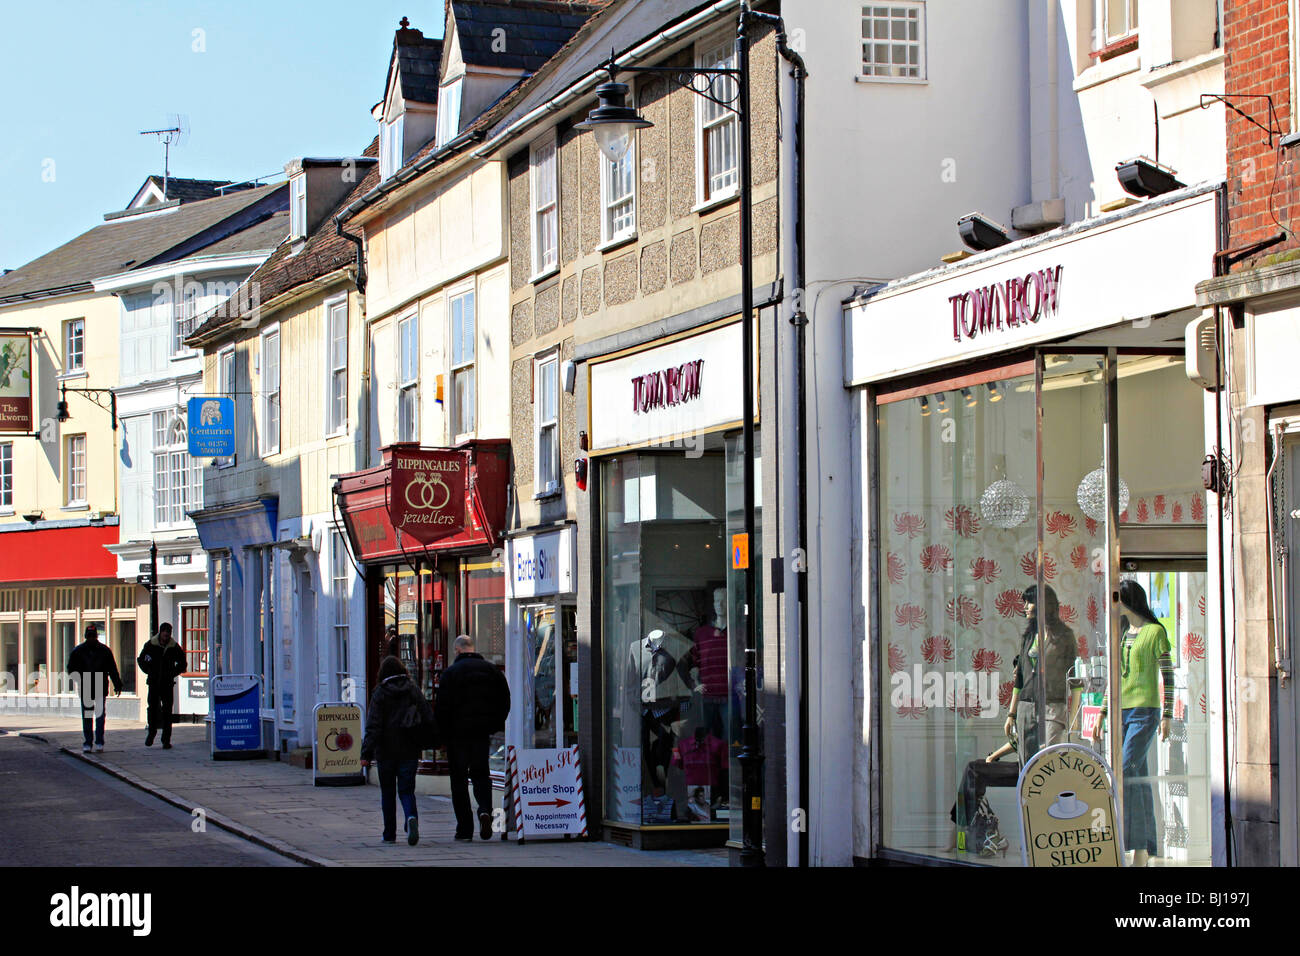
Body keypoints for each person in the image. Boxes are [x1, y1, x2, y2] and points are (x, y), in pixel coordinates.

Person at [1091, 579, 1174, 867]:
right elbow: (1113, 677)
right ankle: (1141, 849)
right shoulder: (1123, 632)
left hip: (1145, 711)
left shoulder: (1155, 632)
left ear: (1127, 600)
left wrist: (1167, 715)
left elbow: (1168, 675)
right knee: (1137, 778)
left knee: (1125, 770)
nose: (1113, 605)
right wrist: (1101, 713)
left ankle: (1136, 846)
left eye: (1117, 599)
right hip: (1120, 711)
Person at [435, 634, 510, 841]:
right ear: (472, 648)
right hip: (481, 733)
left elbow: (442, 708)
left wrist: (442, 735)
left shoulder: (450, 674)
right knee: (481, 775)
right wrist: (494, 726)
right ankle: (485, 810)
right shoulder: (492, 671)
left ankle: (465, 829)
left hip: (457, 735)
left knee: (458, 781)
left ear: (457, 651)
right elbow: (504, 700)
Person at [361, 655, 435, 846]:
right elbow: (428, 716)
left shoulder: (380, 693)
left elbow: (373, 726)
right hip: (409, 749)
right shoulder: (413, 690)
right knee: (406, 790)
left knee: (387, 792)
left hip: (385, 751)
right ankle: (411, 816)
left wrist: (366, 754)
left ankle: (389, 834)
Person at [1004, 584, 1075, 757]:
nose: (1025, 607)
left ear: (1043, 604)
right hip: (1026, 707)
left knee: (1049, 762)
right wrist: (1011, 713)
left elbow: (1074, 676)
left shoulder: (1064, 636)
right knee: (1027, 765)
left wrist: (1073, 719)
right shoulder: (1028, 636)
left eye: (1029, 602)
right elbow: (1019, 678)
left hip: (1053, 706)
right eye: (1025, 603)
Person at [66, 624, 123, 753]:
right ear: (86, 636)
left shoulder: (104, 651)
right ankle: (88, 742)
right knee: (88, 715)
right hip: (86, 684)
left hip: (99, 684)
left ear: (96, 636)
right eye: (89, 636)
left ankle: (98, 741)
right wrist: (79, 679)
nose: (91, 638)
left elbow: (112, 669)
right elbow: (71, 669)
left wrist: (117, 684)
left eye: (93, 636)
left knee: (99, 716)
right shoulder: (79, 651)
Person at [137, 622, 186, 749]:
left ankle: (166, 740)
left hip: (167, 683)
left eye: (168, 635)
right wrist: (149, 671)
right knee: (152, 708)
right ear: (160, 633)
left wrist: (172, 673)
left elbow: (182, 663)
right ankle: (152, 732)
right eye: (164, 635)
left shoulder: (174, 647)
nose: (166, 637)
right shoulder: (151, 645)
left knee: (167, 711)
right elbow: (141, 659)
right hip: (153, 683)